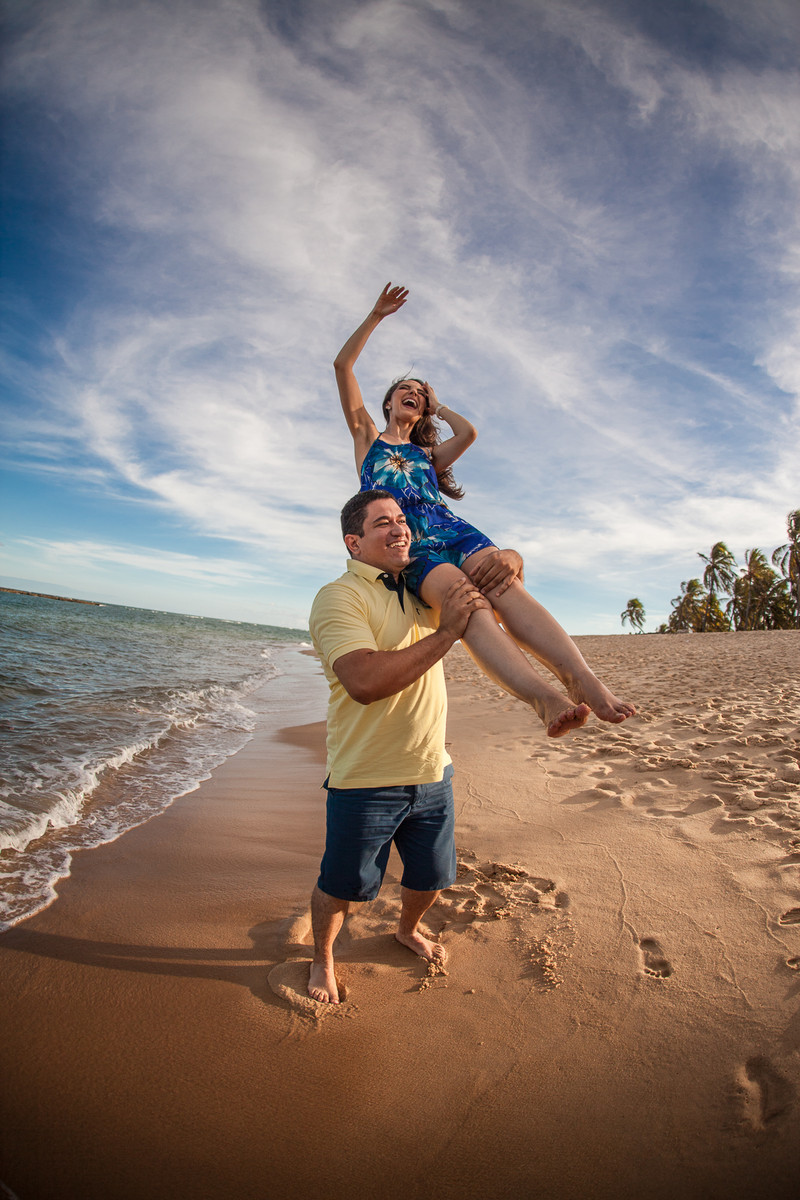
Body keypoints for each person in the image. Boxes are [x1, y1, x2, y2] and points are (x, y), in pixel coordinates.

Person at [333, 283, 635, 737]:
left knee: (506, 585)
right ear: (389, 401)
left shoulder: (428, 458)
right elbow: (342, 365)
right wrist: (376, 315)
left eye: (420, 393)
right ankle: (544, 698)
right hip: (412, 545)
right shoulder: (367, 439)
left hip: (453, 530)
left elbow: (468, 432)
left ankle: (581, 678)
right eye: (405, 390)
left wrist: (441, 405)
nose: (413, 393)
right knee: (468, 603)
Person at [307, 488, 496, 1004]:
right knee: (342, 884)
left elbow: (491, 592)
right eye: (382, 524)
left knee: (433, 875)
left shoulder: (419, 589)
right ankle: (322, 957)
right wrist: (448, 633)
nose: (400, 529)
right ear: (354, 542)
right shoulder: (339, 596)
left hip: (434, 769)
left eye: (402, 520)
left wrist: (510, 561)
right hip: (365, 776)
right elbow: (363, 681)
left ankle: (407, 928)